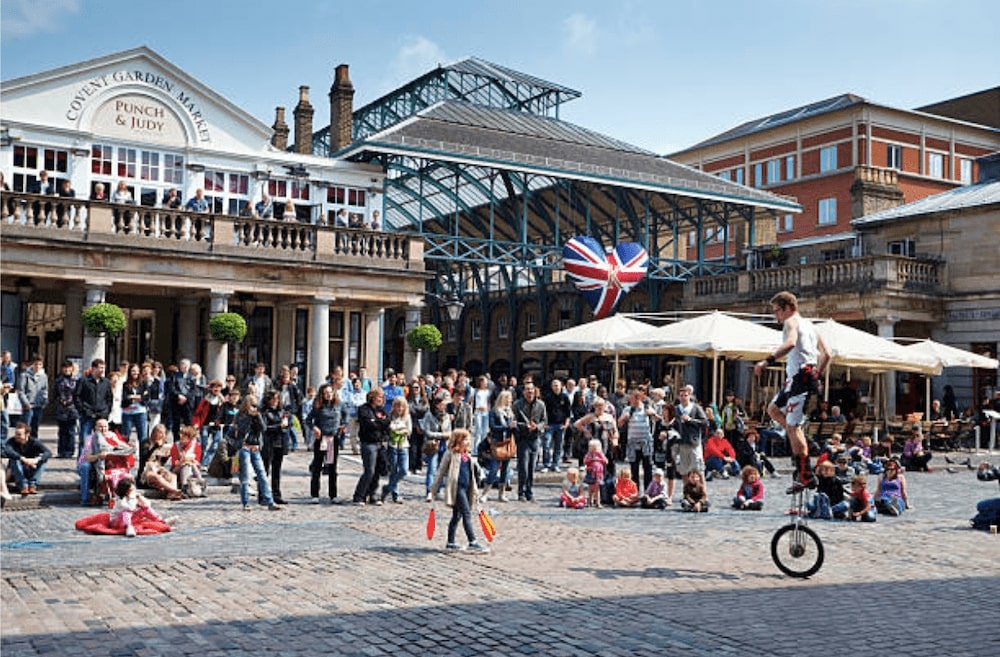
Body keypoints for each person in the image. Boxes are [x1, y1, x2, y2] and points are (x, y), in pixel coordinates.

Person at [753, 290, 831, 491]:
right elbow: (827, 354)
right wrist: (818, 373)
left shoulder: (791, 322)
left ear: (787, 308)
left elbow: (790, 343)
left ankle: (805, 474)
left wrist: (766, 361)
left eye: (777, 311)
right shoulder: (811, 326)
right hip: (797, 380)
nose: (776, 316)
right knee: (773, 410)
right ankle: (804, 442)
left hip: (800, 380)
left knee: (793, 427)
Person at [429, 429, 489, 553]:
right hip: (457, 489)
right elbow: (440, 472)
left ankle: (450, 542)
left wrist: (475, 491)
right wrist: (434, 488)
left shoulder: (467, 456)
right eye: (465, 439)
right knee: (466, 513)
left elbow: (472, 476)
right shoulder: (450, 454)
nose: (468, 442)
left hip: (466, 488)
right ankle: (472, 541)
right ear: (458, 441)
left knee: (457, 515)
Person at [233, 394, 281, 511]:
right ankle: (245, 502)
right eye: (252, 404)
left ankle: (270, 501)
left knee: (262, 474)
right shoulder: (240, 415)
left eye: (256, 405)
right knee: (245, 477)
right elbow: (242, 429)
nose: (254, 407)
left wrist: (257, 416)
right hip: (244, 447)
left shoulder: (258, 414)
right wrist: (250, 416)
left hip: (255, 447)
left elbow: (263, 428)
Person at [307, 384, 347, 504]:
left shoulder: (339, 405)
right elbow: (308, 420)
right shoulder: (318, 406)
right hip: (322, 439)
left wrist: (343, 425)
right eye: (326, 393)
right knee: (317, 466)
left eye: (330, 392)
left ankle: (333, 494)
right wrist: (314, 428)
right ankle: (315, 494)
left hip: (333, 439)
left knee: (332, 467)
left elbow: (346, 415)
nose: (328, 395)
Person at [352, 388, 390, 506]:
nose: (381, 399)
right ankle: (359, 496)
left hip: (380, 443)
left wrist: (377, 422)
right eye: (379, 397)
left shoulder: (382, 410)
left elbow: (387, 421)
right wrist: (380, 422)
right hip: (369, 443)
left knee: (378, 471)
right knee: (369, 471)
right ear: (372, 397)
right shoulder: (364, 409)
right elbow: (368, 424)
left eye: (382, 397)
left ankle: (372, 493)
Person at [512, 381, 546, 503]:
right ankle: (521, 492)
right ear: (523, 392)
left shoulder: (541, 404)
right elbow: (513, 422)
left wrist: (537, 427)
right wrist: (524, 426)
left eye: (531, 389)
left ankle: (529, 492)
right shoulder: (517, 404)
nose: (530, 392)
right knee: (523, 467)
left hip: (535, 438)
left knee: (532, 467)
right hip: (523, 439)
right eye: (527, 389)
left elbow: (544, 421)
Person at [75, 359, 112, 458]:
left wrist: (106, 411)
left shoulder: (106, 382)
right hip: (87, 415)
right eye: (100, 368)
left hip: (101, 415)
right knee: (85, 440)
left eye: (103, 368)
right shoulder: (83, 381)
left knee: (102, 440)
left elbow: (109, 398)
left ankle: (99, 460)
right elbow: (77, 397)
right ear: (93, 368)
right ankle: (83, 461)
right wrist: (83, 410)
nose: (102, 370)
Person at [3, 422, 52, 495]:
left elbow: (48, 452)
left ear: (27, 434)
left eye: (19, 434)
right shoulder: (11, 441)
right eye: (16, 434)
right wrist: (23, 459)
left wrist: (36, 460)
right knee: (14, 459)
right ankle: (23, 486)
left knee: (43, 461)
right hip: (17, 471)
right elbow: (8, 451)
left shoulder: (34, 442)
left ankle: (33, 485)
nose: (16, 436)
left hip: (31, 468)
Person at [259, 390, 289, 504]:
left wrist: (287, 424)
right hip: (268, 442)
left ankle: (276, 494)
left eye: (277, 398)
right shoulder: (264, 412)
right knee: (265, 470)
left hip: (280, 442)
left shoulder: (282, 411)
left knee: (277, 470)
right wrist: (279, 426)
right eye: (273, 399)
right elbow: (265, 428)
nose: (275, 401)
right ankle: (263, 495)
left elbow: (287, 425)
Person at [485, 389, 516, 502]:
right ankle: (485, 493)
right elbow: (492, 426)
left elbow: (513, 428)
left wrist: (514, 427)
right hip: (497, 442)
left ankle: (501, 494)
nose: (510, 401)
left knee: (505, 470)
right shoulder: (494, 412)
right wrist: (507, 427)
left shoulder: (510, 413)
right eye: (508, 399)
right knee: (494, 469)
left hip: (507, 442)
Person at [672, 384, 708, 478]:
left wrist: (690, 420)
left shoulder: (696, 408)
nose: (683, 397)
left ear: (689, 396)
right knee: (684, 471)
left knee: (698, 471)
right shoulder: (676, 409)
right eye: (681, 395)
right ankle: (686, 488)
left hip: (694, 443)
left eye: (685, 395)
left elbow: (704, 422)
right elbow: (672, 424)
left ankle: (701, 488)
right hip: (681, 443)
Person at [381, 396, 412, 504]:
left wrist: (402, 431)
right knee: (393, 470)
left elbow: (409, 430)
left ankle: (387, 488)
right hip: (393, 446)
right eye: (398, 406)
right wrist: (395, 431)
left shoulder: (407, 417)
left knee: (404, 470)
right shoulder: (390, 416)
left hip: (404, 445)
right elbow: (388, 429)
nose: (400, 408)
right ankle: (396, 494)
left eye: (402, 406)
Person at [422, 394, 453, 501]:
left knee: (441, 469)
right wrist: (441, 435)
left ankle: (438, 490)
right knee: (432, 468)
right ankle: (429, 491)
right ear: (436, 405)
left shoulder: (447, 416)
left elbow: (449, 430)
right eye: (442, 404)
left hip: (445, 444)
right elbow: (427, 432)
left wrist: (447, 435)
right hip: (433, 444)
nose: (443, 406)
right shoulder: (429, 415)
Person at [139, 424, 182, 500]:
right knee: (157, 477)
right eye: (160, 432)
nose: (162, 435)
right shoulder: (146, 443)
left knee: (173, 476)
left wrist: (167, 456)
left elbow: (161, 463)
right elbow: (144, 458)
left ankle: (172, 494)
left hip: (157, 468)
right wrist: (155, 447)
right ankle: (175, 491)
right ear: (155, 433)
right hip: (146, 470)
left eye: (163, 433)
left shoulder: (164, 443)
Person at [192, 379, 226, 467]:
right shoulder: (205, 400)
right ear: (211, 388)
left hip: (216, 426)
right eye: (214, 387)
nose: (216, 389)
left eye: (218, 387)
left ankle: (206, 463)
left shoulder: (222, 401)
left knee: (215, 446)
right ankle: (200, 462)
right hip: (205, 425)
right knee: (203, 444)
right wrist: (196, 424)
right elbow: (197, 413)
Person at [17, 356, 48, 440]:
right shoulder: (24, 375)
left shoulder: (44, 376)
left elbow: (45, 390)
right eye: (36, 364)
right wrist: (26, 403)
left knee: (35, 428)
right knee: (26, 427)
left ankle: (33, 444)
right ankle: (24, 444)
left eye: (40, 364)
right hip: (28, 406)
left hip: (38, 405)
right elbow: (21, 391)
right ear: (32, 364)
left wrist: (44, 402)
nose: (37, 366)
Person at [53, 359, 79, 458]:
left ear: (72, 368)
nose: (67, 370)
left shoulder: (76, 380)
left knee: (71, 431)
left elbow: (78, 394)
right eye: (65, 368)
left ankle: (70, 451)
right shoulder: (58, 380)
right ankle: (61, 451)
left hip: (72, 408)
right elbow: (55, 393)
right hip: (61, 408)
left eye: (68, 368)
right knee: (62, 431)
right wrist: (59, 400)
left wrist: (71, 402)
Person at [170, 425, 205, 498]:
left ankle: (186, 487)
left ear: (190, 438)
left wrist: (192, 461)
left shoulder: (196, 446)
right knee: (186, 465)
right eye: (181, 435)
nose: (181, 437)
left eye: (184, 436)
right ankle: (199, 483)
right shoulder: (176, 445)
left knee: (189, 465)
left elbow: (198, 463)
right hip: (177, 469)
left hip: (192, 469)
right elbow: (174, 463)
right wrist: (182, 461)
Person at [119, 363, 149, 447]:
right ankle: (125, 454)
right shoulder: (125, 384)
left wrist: (134, 397)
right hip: (128, 413)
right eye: (133, 371)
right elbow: (125, 398)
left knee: (143, 437)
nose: (135, 373)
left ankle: (143, 454)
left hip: (140, 412)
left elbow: (146, 397)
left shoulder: (143, 383)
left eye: (136, 371)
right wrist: (135, 397)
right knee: (125, 436)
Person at [583, 438, 608, 508]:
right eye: (592, 447)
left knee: (597, 489)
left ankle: (598, 502)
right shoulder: (589, 454)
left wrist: (599, 459)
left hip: (598, 474)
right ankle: (590, 501)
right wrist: (591, 460)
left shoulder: (600, 454)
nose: (593, 449)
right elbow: (585, 461)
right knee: (590, 488)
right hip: (591, 473)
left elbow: (606, 461)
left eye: (595, 447)